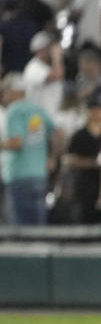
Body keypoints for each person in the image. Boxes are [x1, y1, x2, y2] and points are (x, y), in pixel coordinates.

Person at [0, 73, 58, 225]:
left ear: (14, 91)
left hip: (19, 176)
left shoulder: (14, 110)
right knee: (38, 226)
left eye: (4, 91)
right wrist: (52, 157)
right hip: (39, 176)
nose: (3, 95)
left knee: (20, 230)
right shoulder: (37, 110)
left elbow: (16, 143)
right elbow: (58, 134)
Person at [61, 90, 101, 224]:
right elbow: (69, 160)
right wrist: (94, 162)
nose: (99, 113)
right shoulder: (80, 135)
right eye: (96, 109)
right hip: (84, 188)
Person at [22, 31, 64, 118]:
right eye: (48, 48)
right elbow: (56, 75)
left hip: (50, 116)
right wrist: (57, 58)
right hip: (38, 119)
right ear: (40, 50)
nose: (51, 51)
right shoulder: (33, 67)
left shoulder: (49, 67)